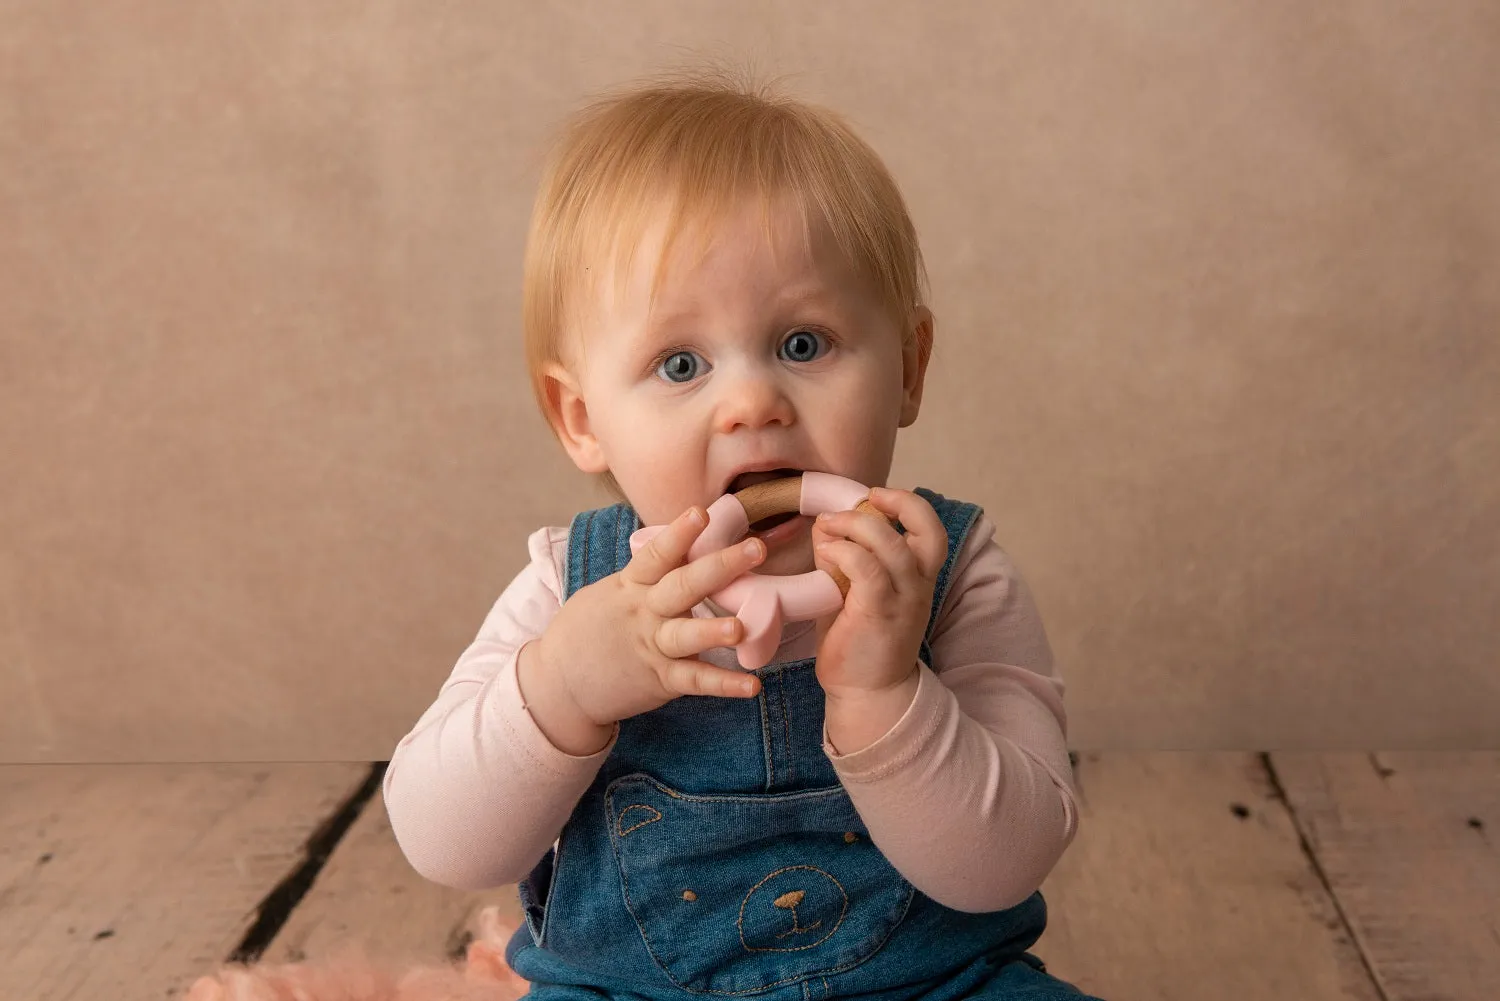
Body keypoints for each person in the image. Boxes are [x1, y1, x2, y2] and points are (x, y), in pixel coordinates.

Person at [383, 70, 1102, 1001]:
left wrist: (886, 694)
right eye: (680, 363)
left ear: (910, 368)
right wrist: (563, 686)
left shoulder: (951, 571)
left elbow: (1007, 861)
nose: (753, 402)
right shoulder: (571, 587)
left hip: (932, 985)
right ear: (581, 417)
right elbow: (440, 840)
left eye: (804, 344)